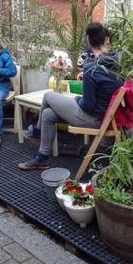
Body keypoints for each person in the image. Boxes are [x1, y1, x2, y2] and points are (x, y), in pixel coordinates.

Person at [18, 22, 123, 170]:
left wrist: (76, 98)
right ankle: (42, 157)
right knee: (48, 114)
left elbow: (87, 105)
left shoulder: (91, 68)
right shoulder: (116, 62)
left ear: (88, 42)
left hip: (92, 118)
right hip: (106, 116)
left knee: (48, 96)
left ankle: (36, 132)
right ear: (107, 40)